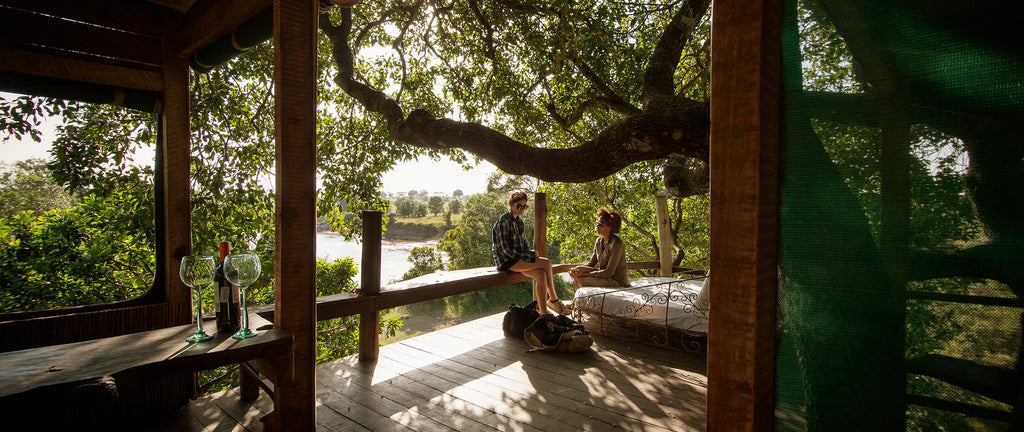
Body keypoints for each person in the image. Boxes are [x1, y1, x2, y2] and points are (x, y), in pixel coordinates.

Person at [492, 191, 566, 315]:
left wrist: (530, 253)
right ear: (511, 203)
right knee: (546, 263)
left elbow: (524, 245)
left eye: (524, 206)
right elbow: (505, 250)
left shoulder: (519, 222)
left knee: (541, 275)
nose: (522, 209)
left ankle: (543, 312)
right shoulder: (503, 221)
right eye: (519, 206)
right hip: (506, 261)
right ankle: (554, 300)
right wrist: (528, 256)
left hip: (518, 260)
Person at [569, 208, 629, 290]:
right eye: (597, 223)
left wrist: (583, 274)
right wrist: (575, 270)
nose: (597, 226)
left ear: (610, 227)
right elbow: (591, 264)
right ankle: (575, 302)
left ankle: (580, 302)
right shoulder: (599, 241)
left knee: (583, 280)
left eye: (600, 224)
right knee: (578, 270)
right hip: (604, 277)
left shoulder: (617, 244)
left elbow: (608, 272)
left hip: (616, 281)